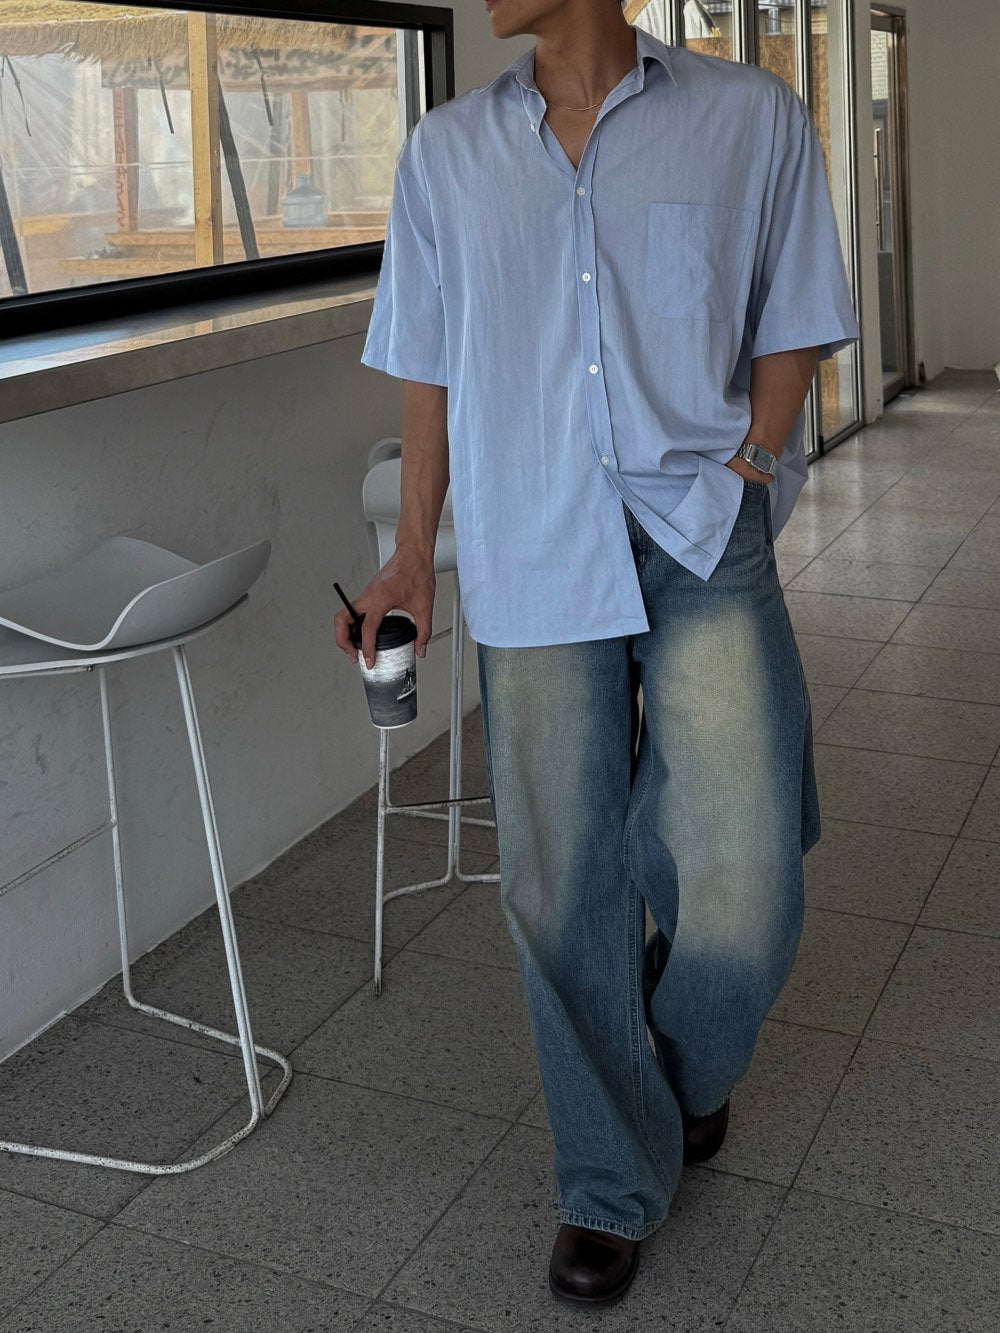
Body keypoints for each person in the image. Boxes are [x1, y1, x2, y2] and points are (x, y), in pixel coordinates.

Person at [336, 0, 860, 1309]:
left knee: (746, 874)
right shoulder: (446, 154)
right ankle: (610, 1183)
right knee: (562, 882)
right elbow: (427, 369)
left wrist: (754, 467)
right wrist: (412, 554)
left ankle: (674, 1063)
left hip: (702, 531)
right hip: (532, 539)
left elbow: (794, 312)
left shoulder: (750, 118)